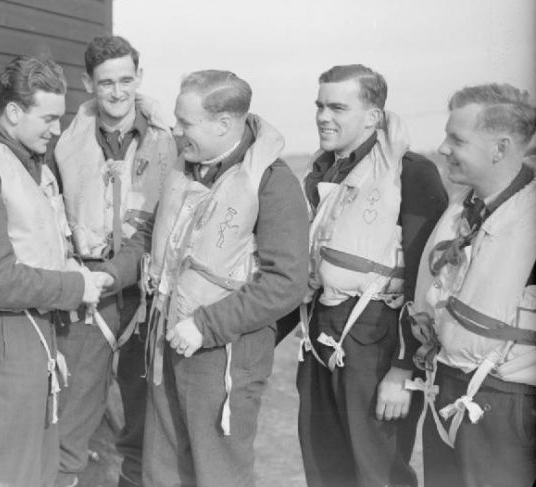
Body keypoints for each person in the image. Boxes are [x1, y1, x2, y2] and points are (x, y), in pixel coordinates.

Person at [117, 69, 309, 487]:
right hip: (166, 344)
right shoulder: (185, 169)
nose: (176, 130)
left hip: (222, 357)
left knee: (217, 473)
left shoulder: (274, 184)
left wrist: (206, 326)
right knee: (163, 470)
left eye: (186, 123)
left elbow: (287, 282)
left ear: (224, 124)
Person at [0, 55, 109, 487]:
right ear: (13, 112)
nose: (56, 129)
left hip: (34, 333)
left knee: (37, 472)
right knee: (6, 475)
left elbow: (37, 246)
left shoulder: (28, 162)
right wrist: (76, 286)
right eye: (48, 118)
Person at [296, 64, 448, 487]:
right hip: (320, 333)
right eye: (320, 106)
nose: (324, 116)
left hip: (378, 342)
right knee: (324, 464)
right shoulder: (325, 172)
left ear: (373, 117)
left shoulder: (411, 173)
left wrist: (404, 368)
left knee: (377, 471)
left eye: (337, 107)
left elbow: (426, 279)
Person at [52, 36, 177, 487]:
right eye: (106, 83)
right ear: (88, 83)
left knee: (145, 428)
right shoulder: (65, 144)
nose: (118, 92)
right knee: (70, 421)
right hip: (90, 296)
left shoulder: (170, 141)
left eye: (127, 80)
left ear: (139, 78)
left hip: (146, 295)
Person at [406, 83, 536, 487]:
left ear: (499, 148)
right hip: (448, 386)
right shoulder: (466, 208)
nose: (443, 148)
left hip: (506, 404)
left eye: (456, 139)